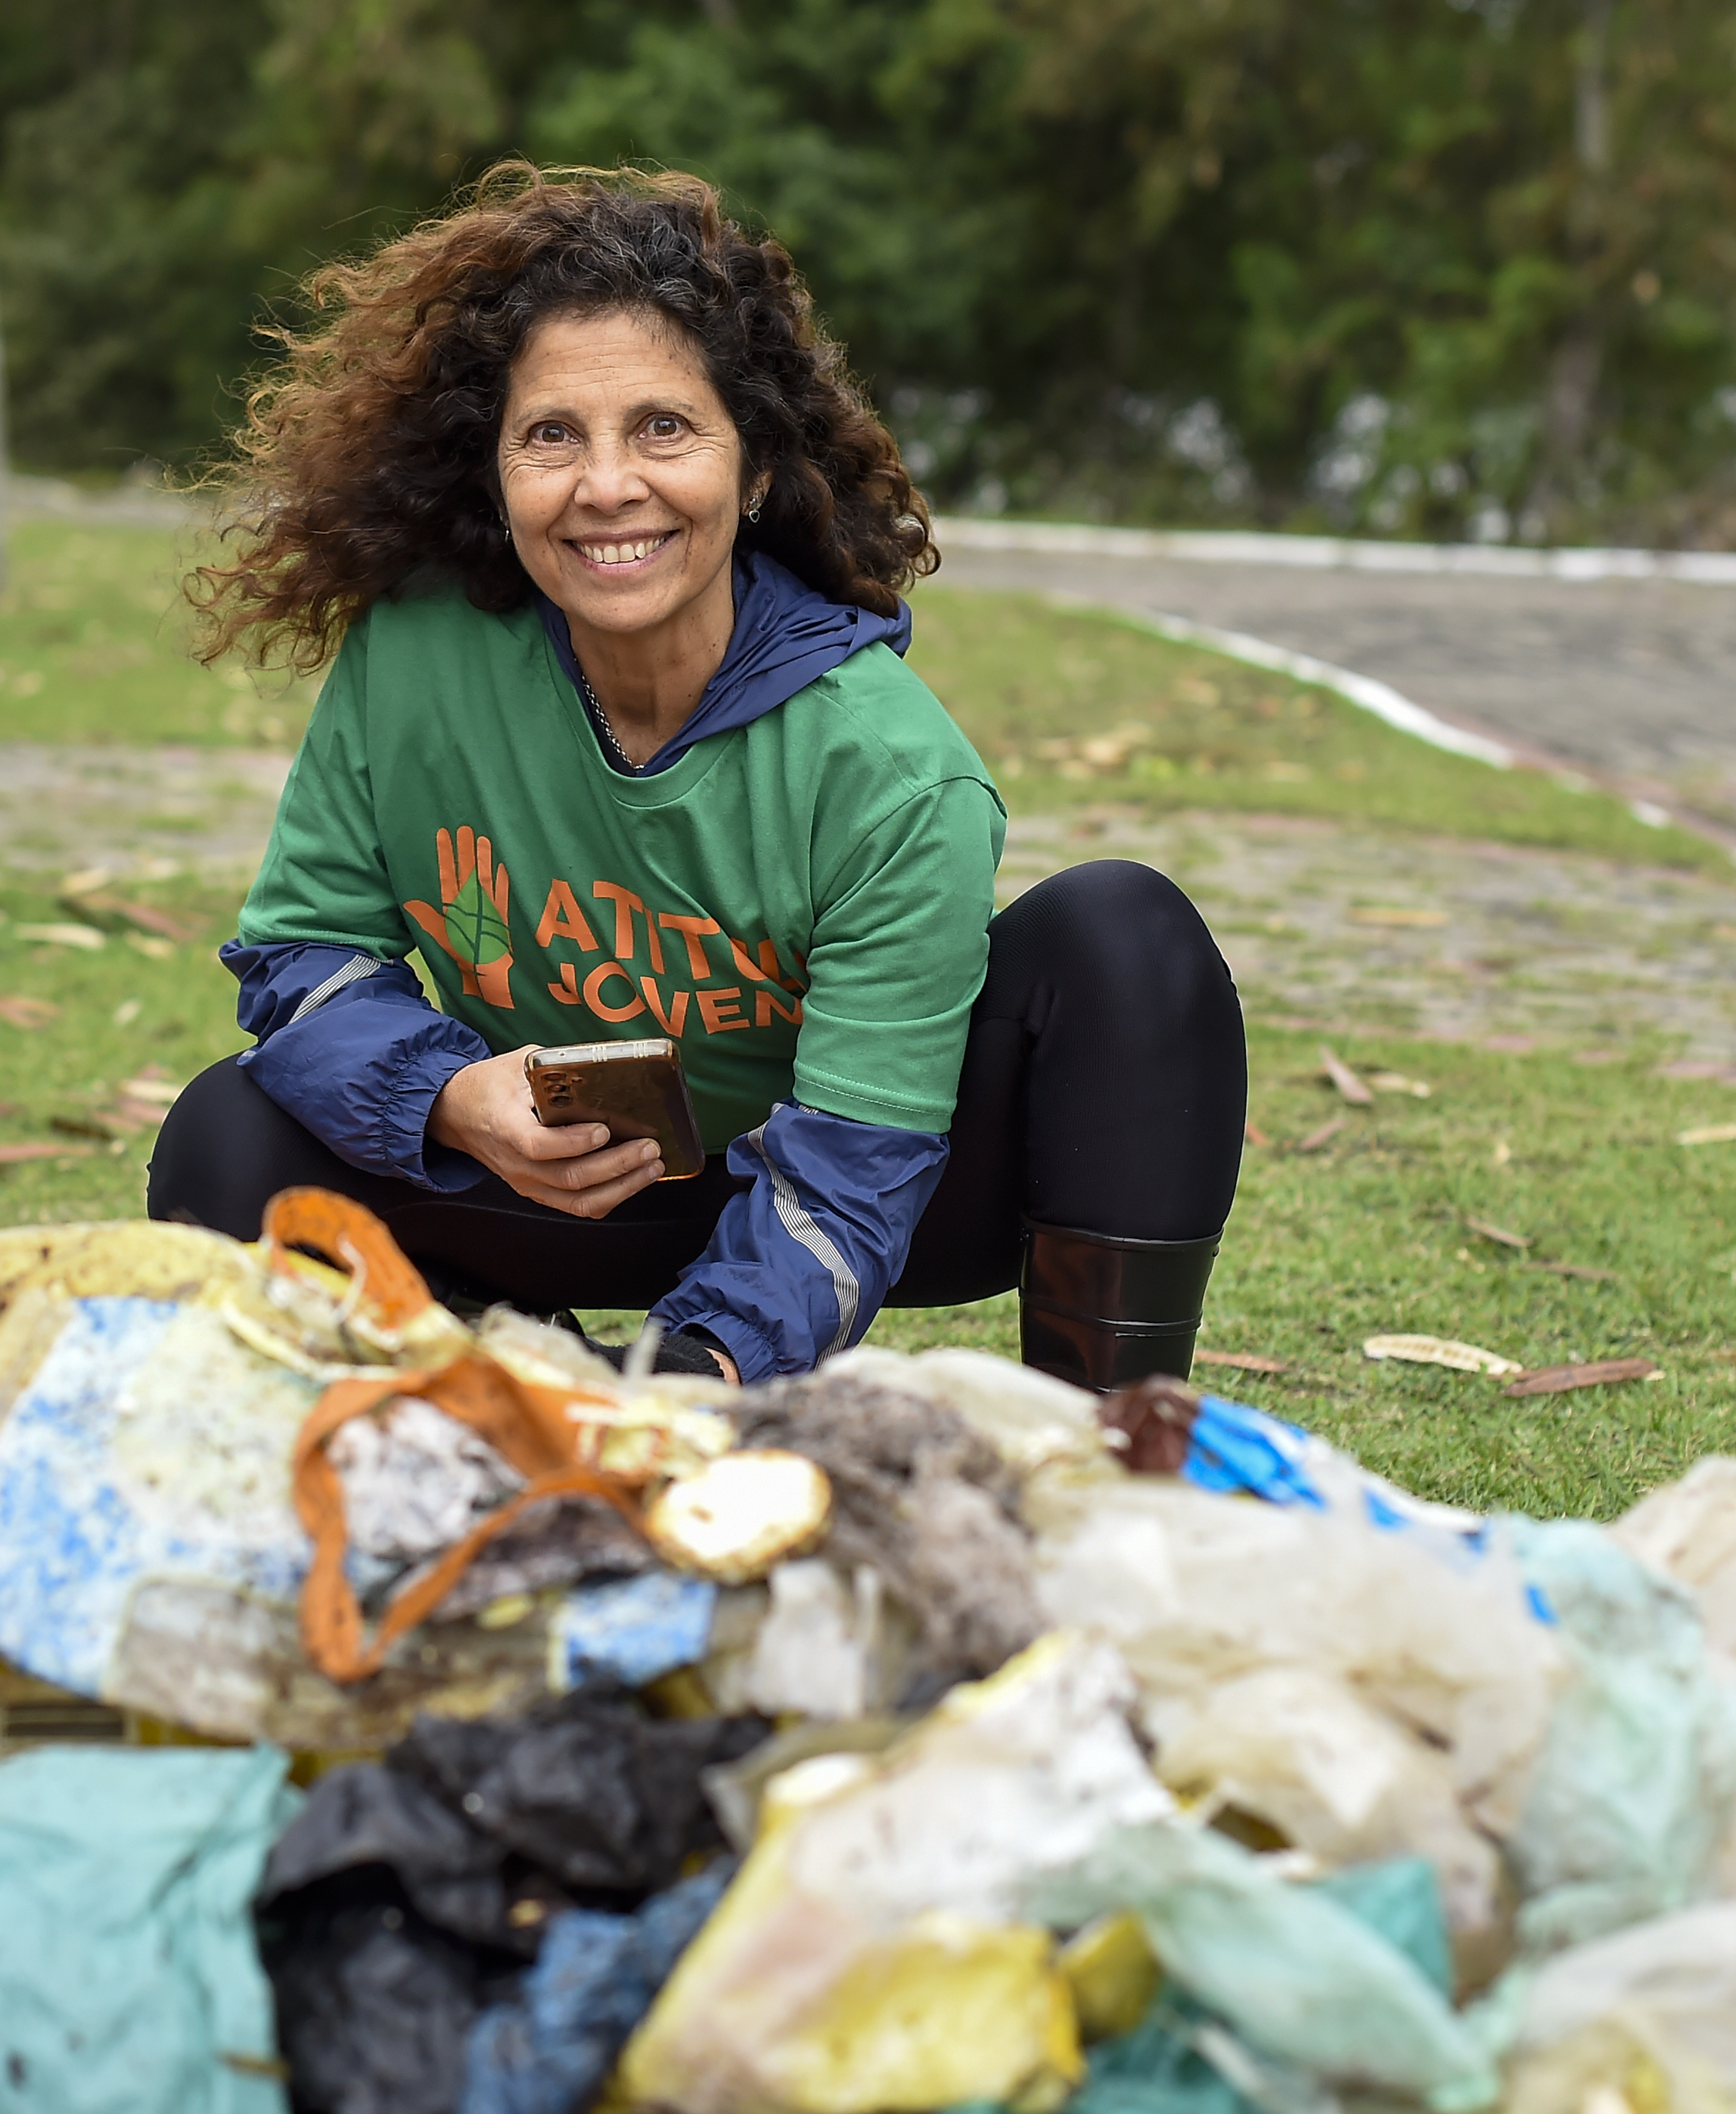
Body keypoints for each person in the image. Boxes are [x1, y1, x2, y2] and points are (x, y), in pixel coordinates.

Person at [148, 163, 1247, 1389]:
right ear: (495, 470)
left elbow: (857, 1162)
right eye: (551, 435)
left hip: (857, 1195)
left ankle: (1110, 1463)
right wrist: (451, 1094)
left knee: (1124, 934)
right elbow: (298, 958)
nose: (607, 484)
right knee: (226, 1134)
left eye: (663, 428)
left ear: (758, 464)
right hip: (524, 1185)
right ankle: (489, 1401)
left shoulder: (886, 768)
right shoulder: (413, 662)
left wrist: (692, 1384)